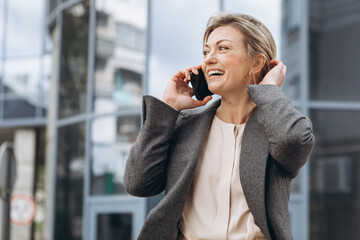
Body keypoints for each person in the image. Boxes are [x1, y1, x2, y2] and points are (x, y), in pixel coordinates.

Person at [124, 12, 315, 240]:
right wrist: (169, 107)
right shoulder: (186, 126)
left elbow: (293, 142)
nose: (208, 59)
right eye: (206, 51)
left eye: (222, 48)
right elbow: (138, 183)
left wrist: (270, 89)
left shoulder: (276, 128)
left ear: (256, 62)